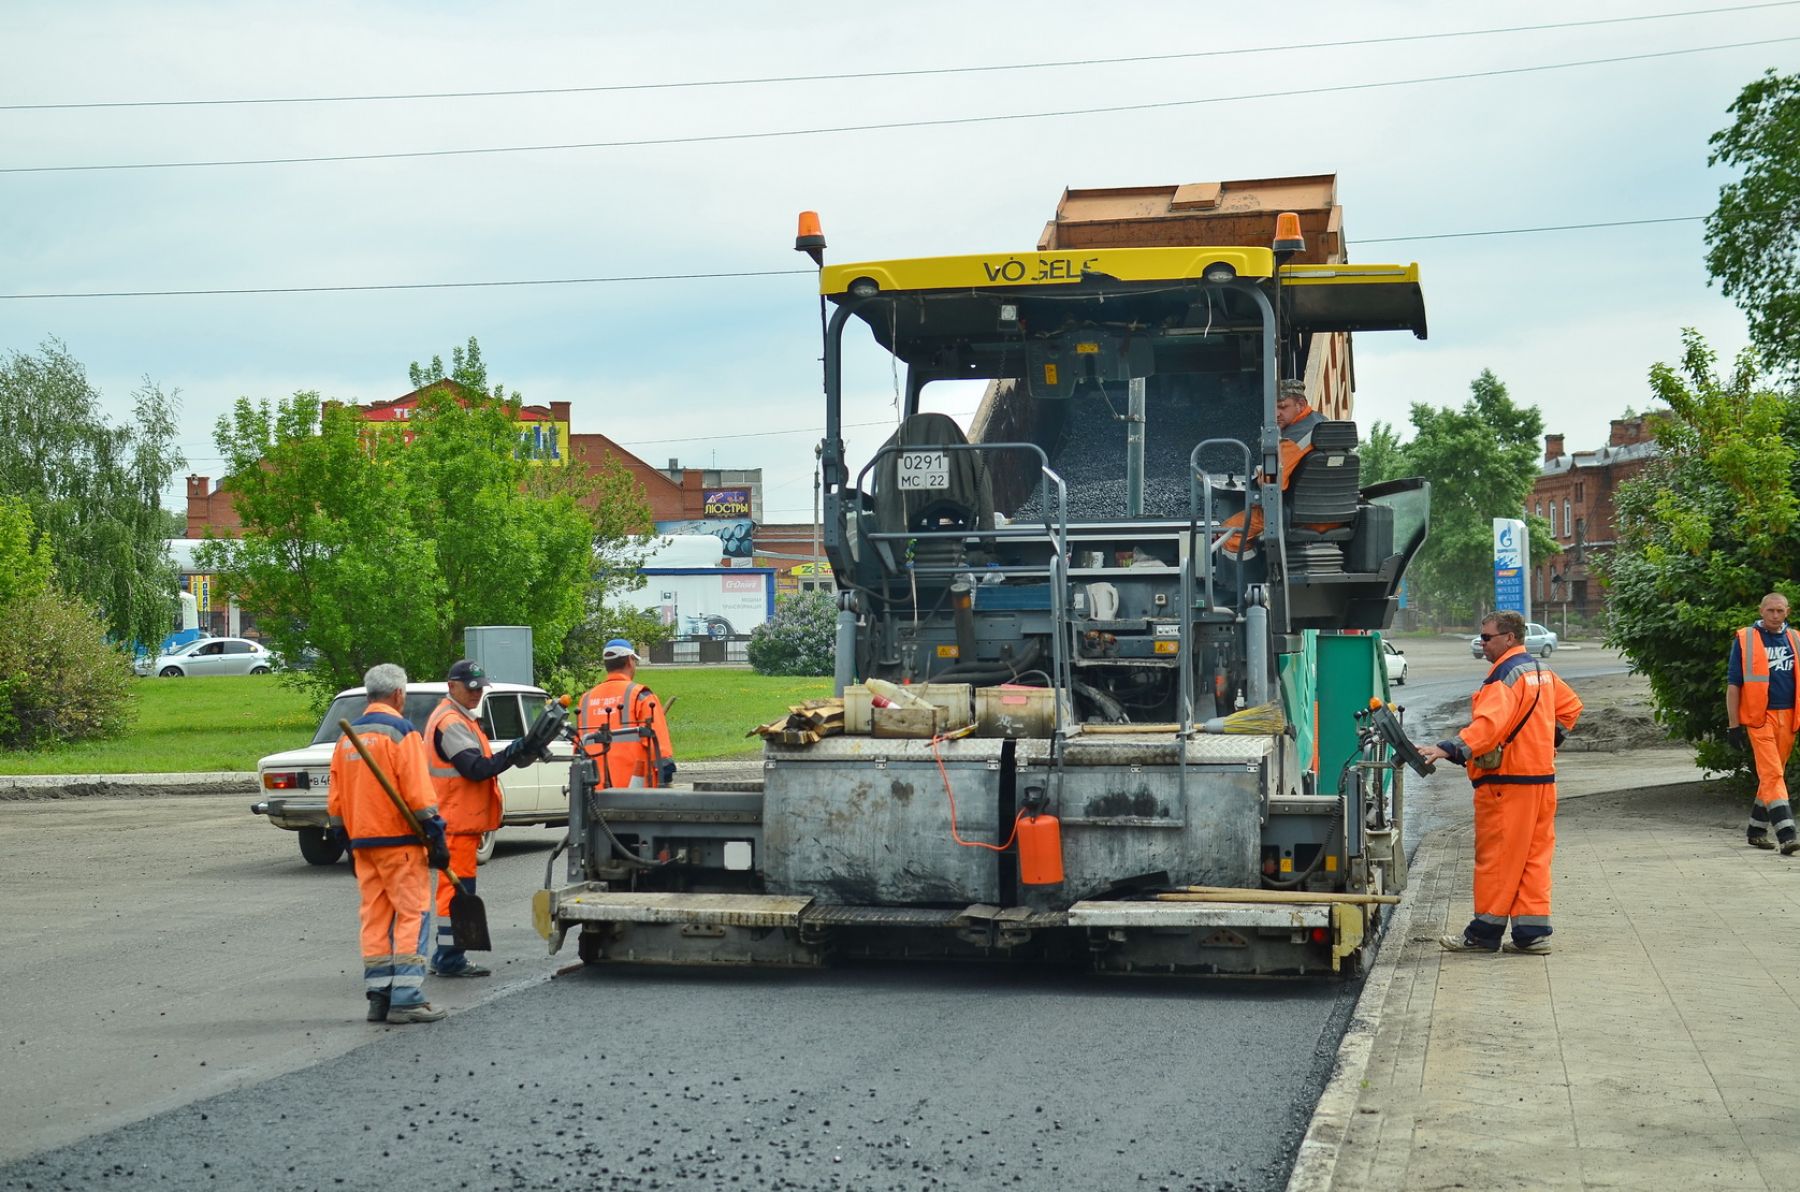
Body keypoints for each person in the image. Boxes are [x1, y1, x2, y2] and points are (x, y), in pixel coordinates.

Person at [1419, 610, 1582, 955]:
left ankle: (1483, 935)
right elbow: (1571, 708)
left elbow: (1488, 728)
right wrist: (1544, 741)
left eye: (1487, 637)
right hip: (1541, 781)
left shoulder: (1503, 677)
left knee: (1497, 858)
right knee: (1533, 858)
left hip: (1506, 785)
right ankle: (1532, 935)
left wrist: (1447, 748)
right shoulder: (1541, 671)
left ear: (1509, 638)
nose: (1482, 643)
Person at [326, 663, 450, 1023]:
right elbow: (420, 795)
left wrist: (345, 841)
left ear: (369, 695)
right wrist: (437, 836)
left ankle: (378, 997)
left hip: (364, 844)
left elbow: (335, 802)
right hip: (400, 843)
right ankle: (408, 997)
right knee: (412, 914)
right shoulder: (401, 731)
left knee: (375, 919)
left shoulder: (347, 738)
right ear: (399, 695)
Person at [423, 659, 536, 978]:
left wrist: (516, 752)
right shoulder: (451, 722)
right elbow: (475, 769)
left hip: (457, 822)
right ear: (451, 686)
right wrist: (513, 753)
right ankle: (448, 959)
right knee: (455, 894)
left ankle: (448, 956)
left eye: (479, 688)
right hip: (454, 823)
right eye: (470, 688)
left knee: (458, 892)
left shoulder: (461, 717)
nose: (476, 694)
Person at [1214, 379, 1326, 559]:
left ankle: (1245, 579)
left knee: (1227, 532)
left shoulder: (1293, 439)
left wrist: (1260, 476)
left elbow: (1272, 483)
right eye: (1273, 408)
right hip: (1331, 512)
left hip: (1299, 516)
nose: (1276, 414)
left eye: (1283, 407)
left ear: (1301, 404)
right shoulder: (1321, 423)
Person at [1726, 592, 1800, 854]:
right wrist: (1733, 725)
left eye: (1780, 611)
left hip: (1789, 717)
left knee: (1771, 777)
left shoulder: (1796, 638)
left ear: (1787, 612)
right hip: (1759, 719)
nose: (1775, 615)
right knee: (1773, 774)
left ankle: (1756, 831)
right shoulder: (1746, 639)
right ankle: (1787, 834)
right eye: (1770, 610)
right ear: (1761, 611)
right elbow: (1734, 686)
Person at [577, 639, 675, 788]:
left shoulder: (586, 700)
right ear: (630, 660)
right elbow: (659, 746)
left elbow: (578, 747)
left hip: (593, 790)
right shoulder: (640, 695)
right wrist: (666, 775)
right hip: (635, 791)